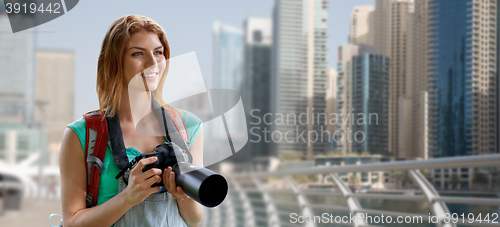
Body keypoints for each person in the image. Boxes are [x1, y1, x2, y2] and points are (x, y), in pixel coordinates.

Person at [59, 15, 204, 227]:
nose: (152, 63)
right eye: (138, 53)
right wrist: (128, 197)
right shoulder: (82, 134)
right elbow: (72, 222)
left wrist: (183, 194)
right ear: (115, 61)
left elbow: (193, 219)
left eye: (158, 52)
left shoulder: (188, 127)